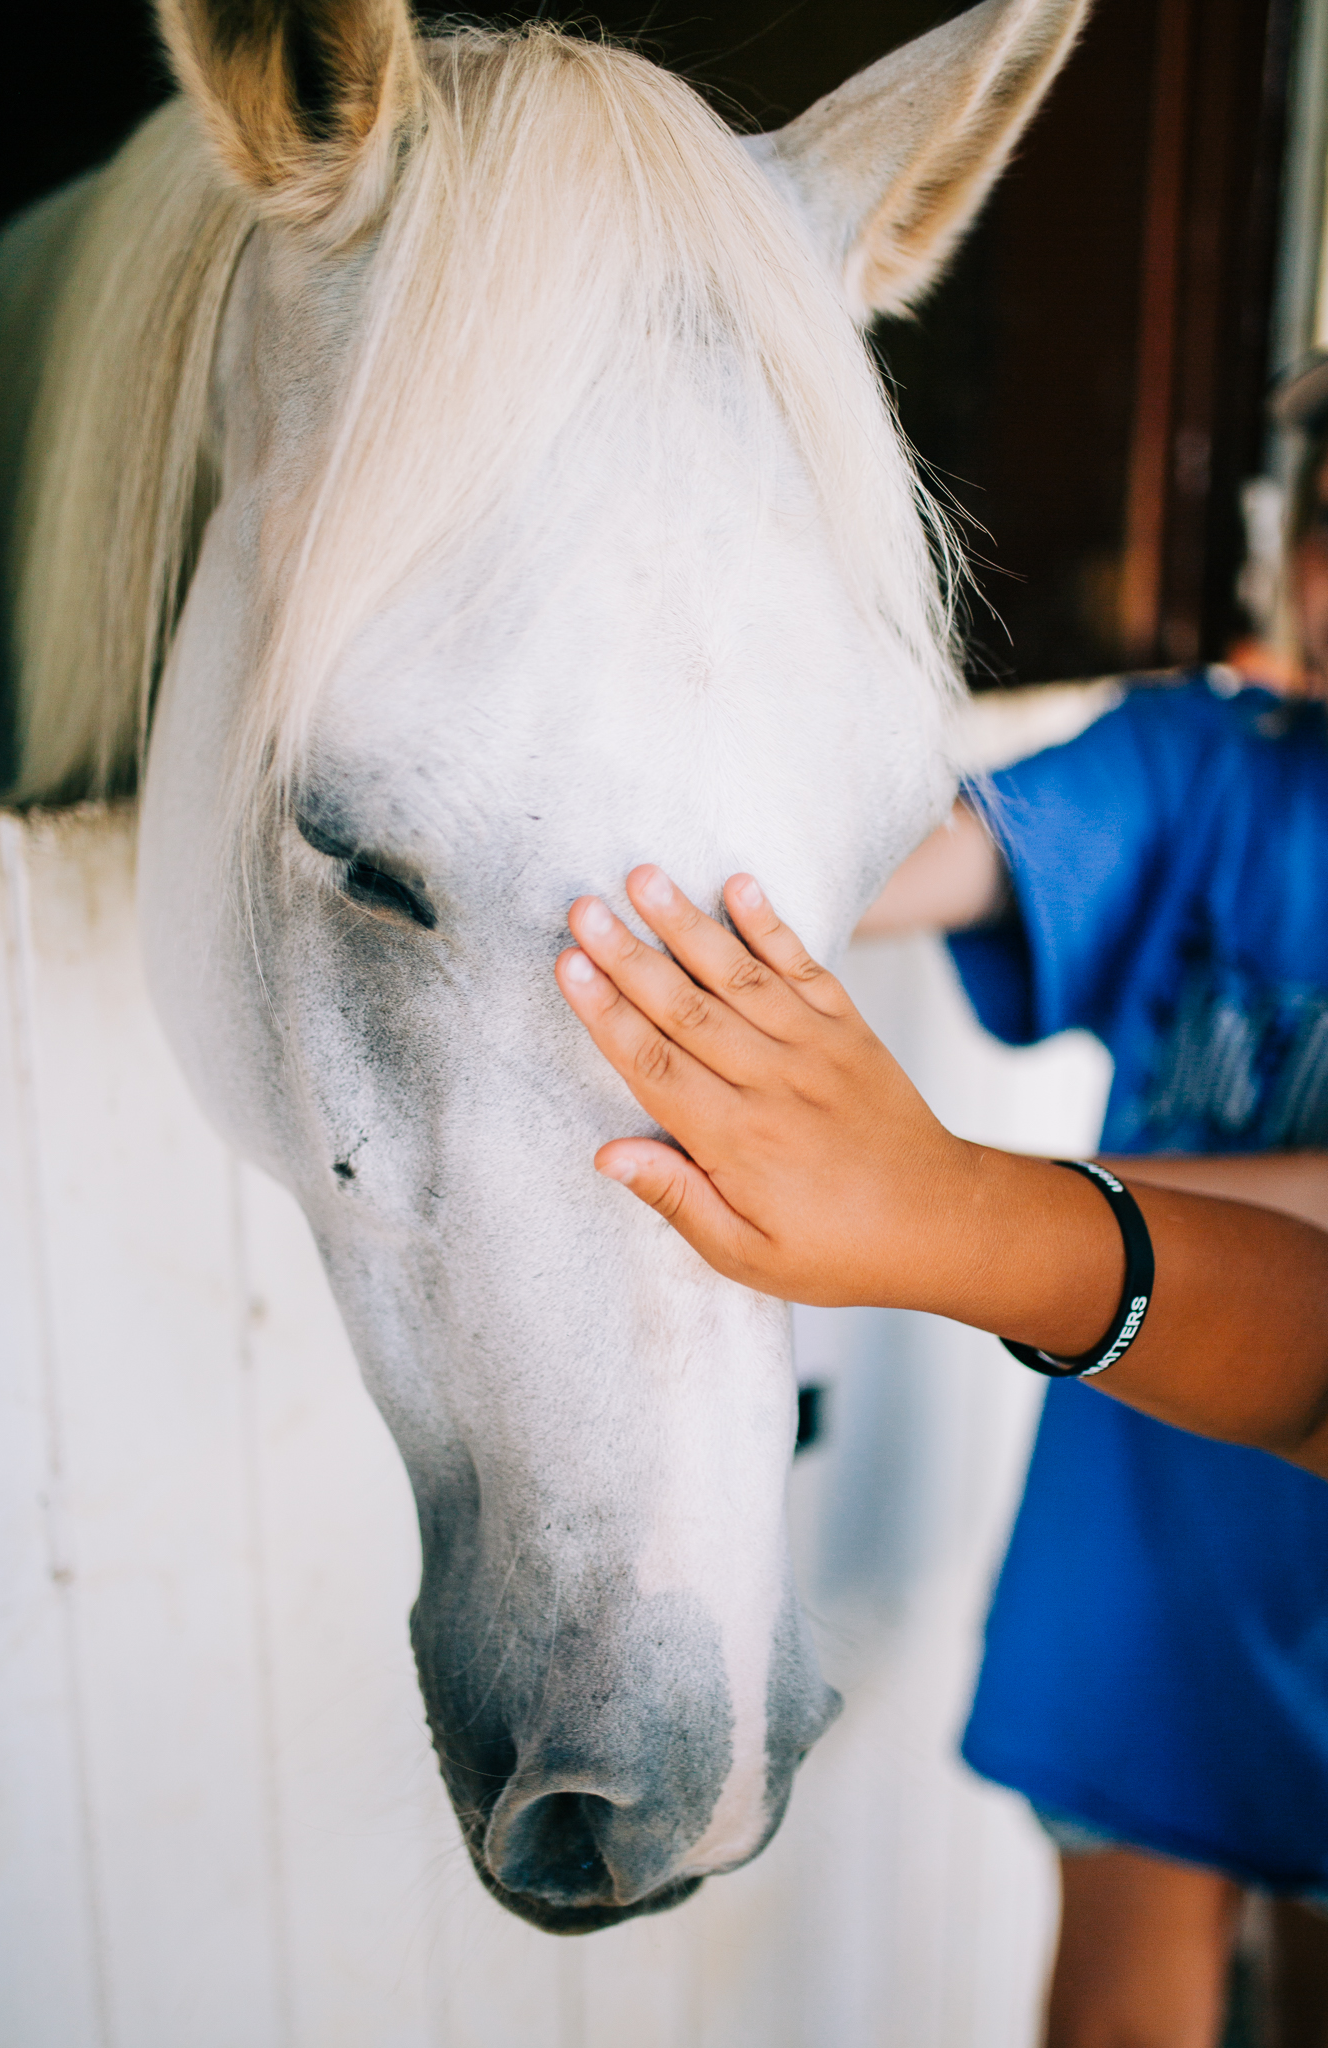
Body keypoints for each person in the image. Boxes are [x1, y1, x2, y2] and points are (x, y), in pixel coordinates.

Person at [554, 360, 1328, 2047]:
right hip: (1155, 1516)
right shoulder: (1210, 765)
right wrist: (693, 873)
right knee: (1125, 1992)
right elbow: (921, 860)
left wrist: (952, 1204)